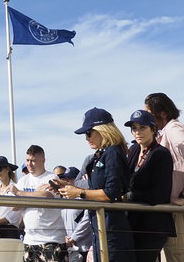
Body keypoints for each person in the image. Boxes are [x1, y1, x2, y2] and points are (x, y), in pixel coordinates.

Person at [59, 108, 133, 262]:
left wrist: (79, 193)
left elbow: (112, 192)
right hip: (100, 228)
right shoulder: (102, 155)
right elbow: (98, 190)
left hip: (112, 229)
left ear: (102, 130)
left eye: (88, 133)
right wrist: (71, 189)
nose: (86, 138)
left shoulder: (112, 153)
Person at [143, 93, 184, 262]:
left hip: (182, 211)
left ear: (163, 113)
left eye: (149, 112)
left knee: (178, 258)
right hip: (178, 210)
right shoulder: (167, 131)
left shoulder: (173, 129)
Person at [123, 110, 175, 262]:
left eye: (142, 127)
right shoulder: (132, 150)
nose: (137, 132)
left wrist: (129, 196)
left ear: (153, 129)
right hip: (132, 223)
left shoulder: (161, 154)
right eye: (134, 128)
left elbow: (160, 194)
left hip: (152, 226)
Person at [7, 144, 68, 262]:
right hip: (30, 240)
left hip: (52, 240)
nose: (29, 164)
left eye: (33, 161)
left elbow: (46, 197)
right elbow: (13, 206)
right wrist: (36, 194)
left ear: (43, 160)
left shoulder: (51, 177)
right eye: (27, 160)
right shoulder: (23, 180)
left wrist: (20, 193)